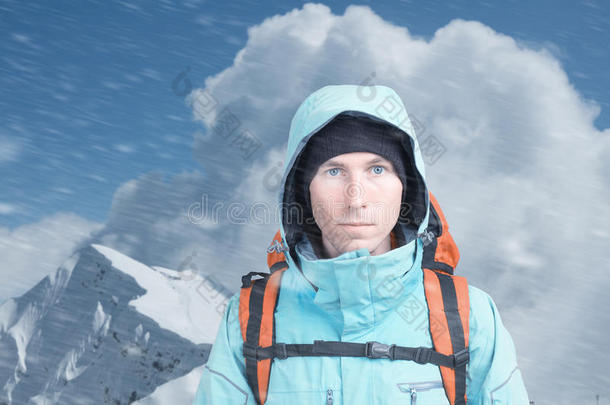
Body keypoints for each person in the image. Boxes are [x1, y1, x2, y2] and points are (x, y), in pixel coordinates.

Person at [192, 84, 530, 404]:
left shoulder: (468, 317)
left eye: (377, 170)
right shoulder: (250, 318)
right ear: (303, 190)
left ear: (406, 188)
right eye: (334, 171)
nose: (356, 198)